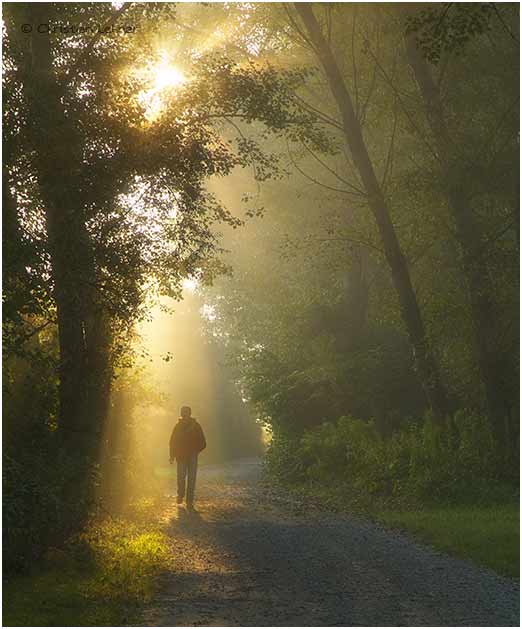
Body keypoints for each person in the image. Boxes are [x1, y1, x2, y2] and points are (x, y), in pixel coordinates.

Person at [169, 405, 206, 510]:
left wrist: (195, 451)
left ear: (189, 413)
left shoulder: (195, 426)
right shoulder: (178, 427)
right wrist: (172, 455)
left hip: (189, 456)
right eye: (182, 412)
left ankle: (188, 501)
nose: (184, 414)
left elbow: (203, 442)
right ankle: (181, 495)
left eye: (185, 412)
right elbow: (172, 442)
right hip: (182, 456)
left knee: (190, 479)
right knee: (183, 478)